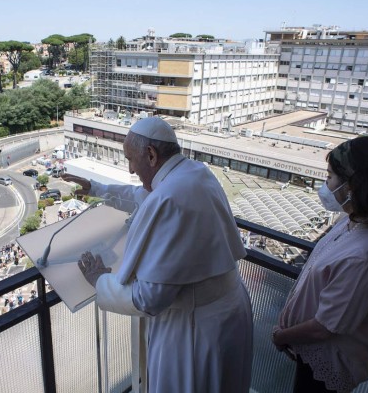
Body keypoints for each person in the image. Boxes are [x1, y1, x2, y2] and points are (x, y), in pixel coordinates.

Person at [64, 117, 253, 393]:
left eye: (130, 159)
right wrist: (97, 188)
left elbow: (149, 298)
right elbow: (143, 195)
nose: (130, 169)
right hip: (228, 312)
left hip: (195, 331)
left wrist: (101, 281)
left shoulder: (170, 198)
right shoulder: (194, 173)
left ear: (151, 155)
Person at [272, 136, 368, 393]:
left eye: (331, 176)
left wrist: (281, 336)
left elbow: (326, 327)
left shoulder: (364, 257)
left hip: (328, 363)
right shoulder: (355, 222)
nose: (326, 185)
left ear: (353, 187)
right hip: (310, 353)